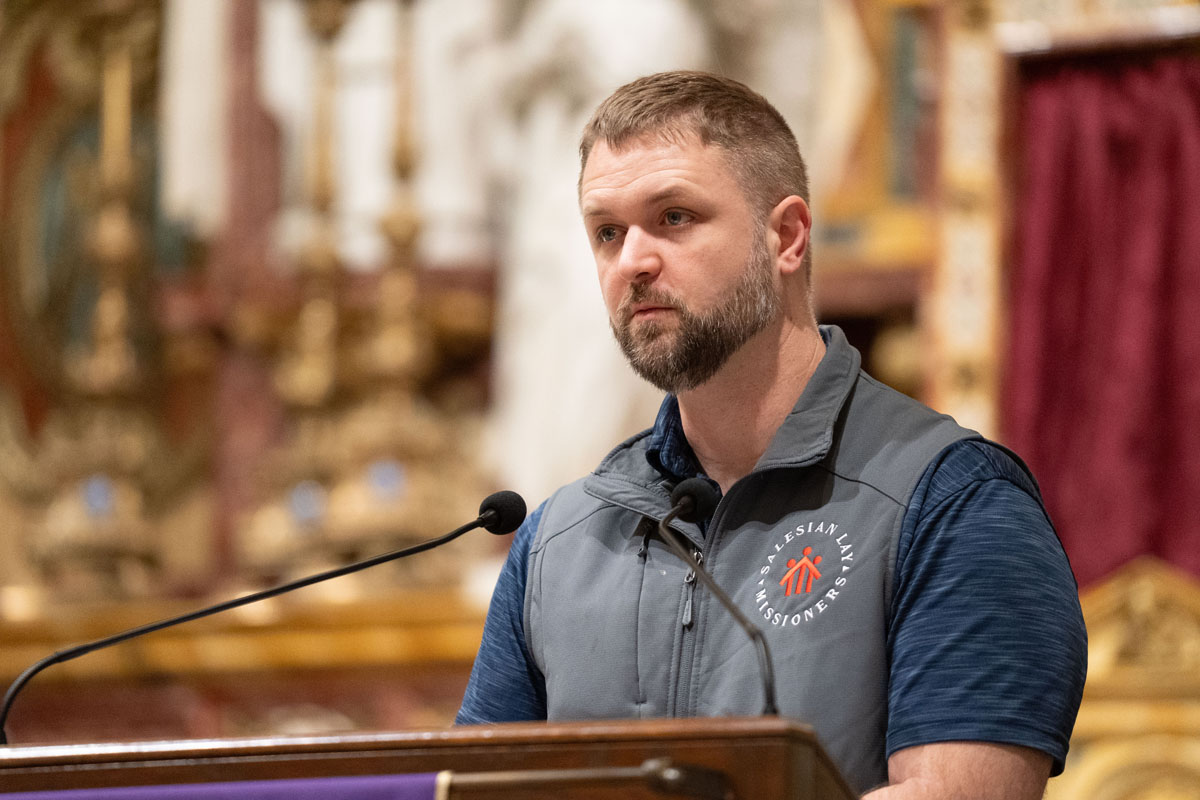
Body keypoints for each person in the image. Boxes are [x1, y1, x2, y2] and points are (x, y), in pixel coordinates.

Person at [457, 71, 1087, 799]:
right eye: (607, 232)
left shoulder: (957, 505)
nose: (632, 261)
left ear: (786, 237)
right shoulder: (557, 541)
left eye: (674, 217)